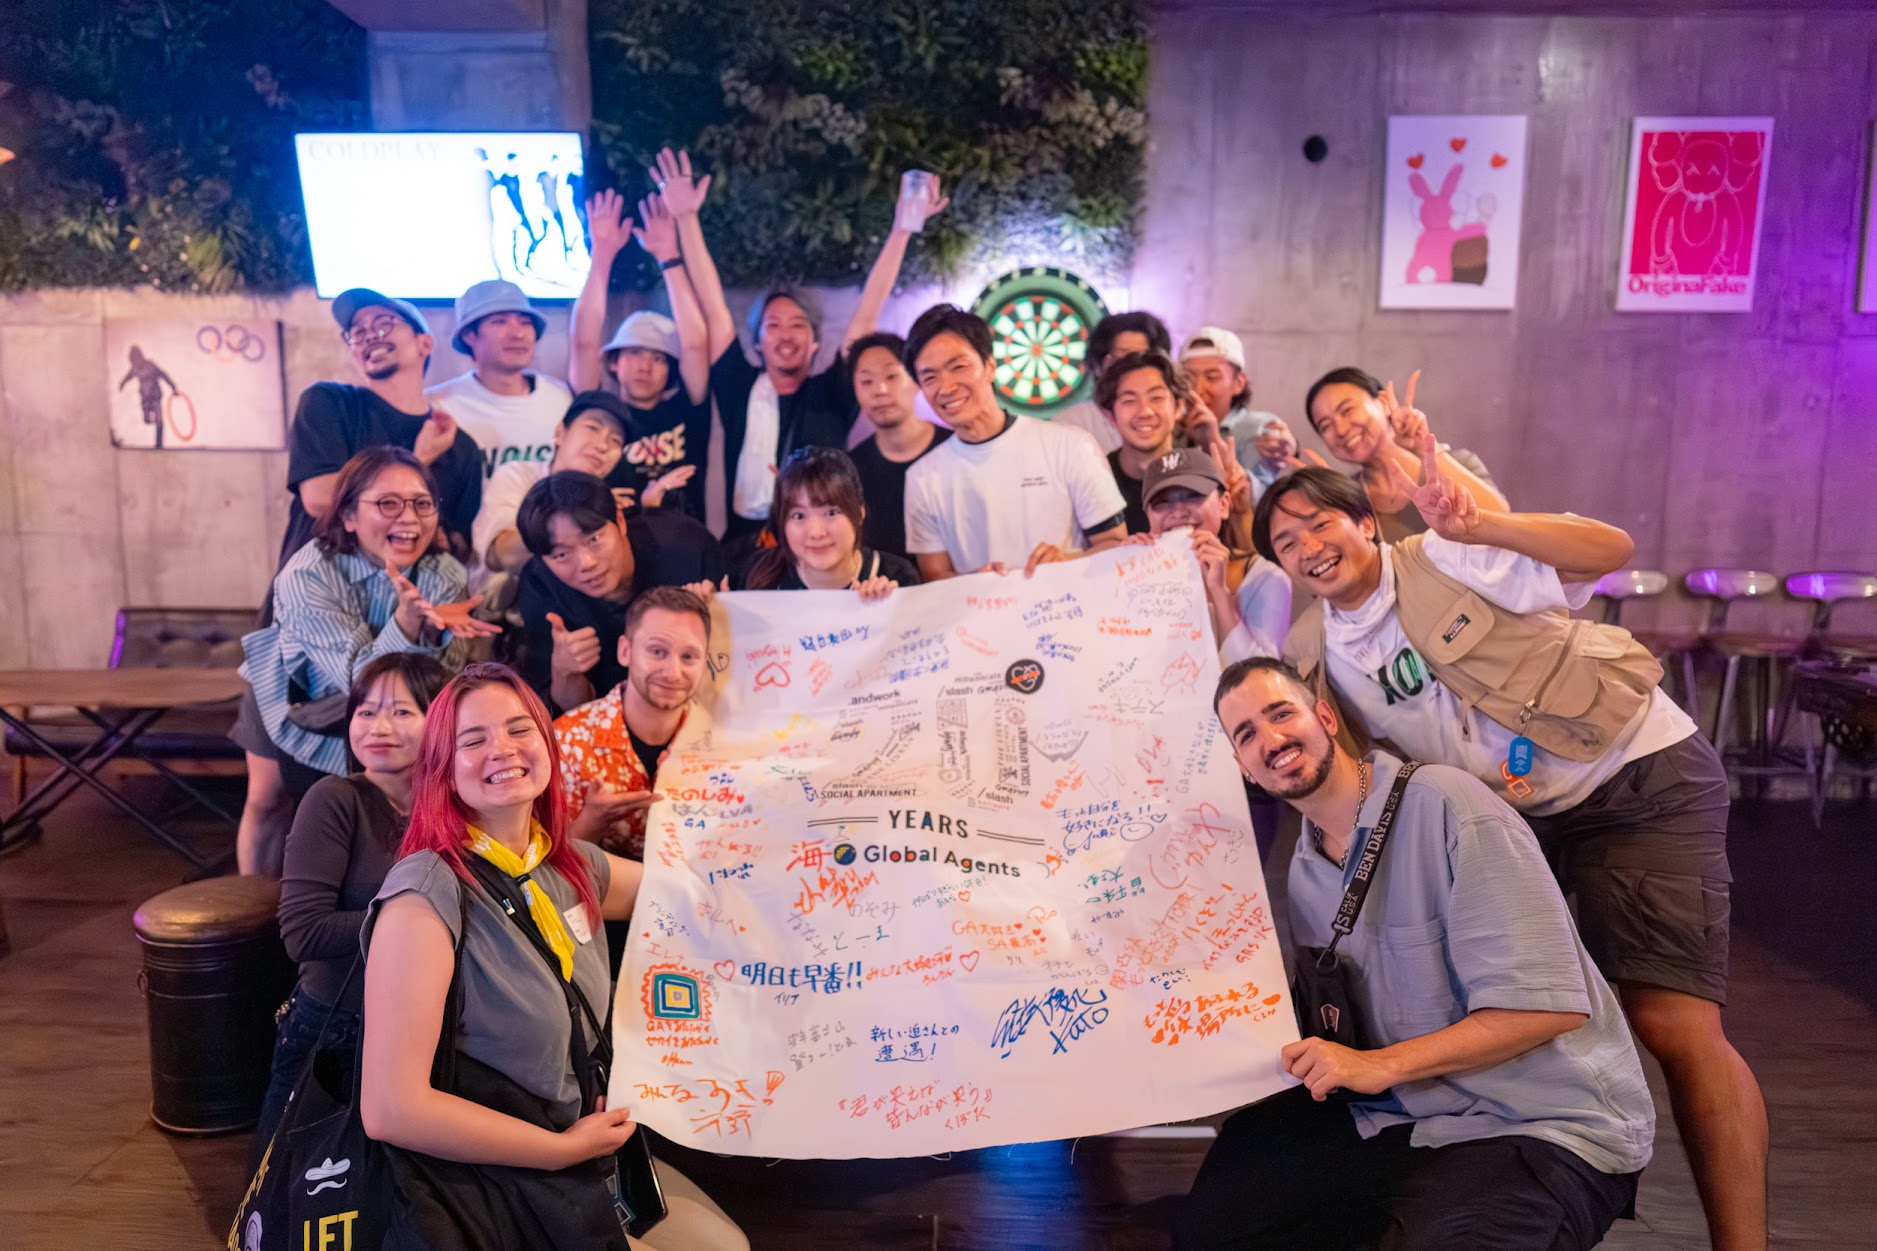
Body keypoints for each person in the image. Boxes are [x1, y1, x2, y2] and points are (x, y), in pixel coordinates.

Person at [1251, 459, 1767, 1250]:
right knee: (1505, 997)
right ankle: (1529, 1160)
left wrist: (1481, 524)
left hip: (1630, 773)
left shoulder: (1444, 554)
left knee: (1671, 1021)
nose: (1309, 546)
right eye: (1286, 541)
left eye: (1320, 522)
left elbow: (1609, 550)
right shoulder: (1312, 647)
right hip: (1511, 816)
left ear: (1364, 521)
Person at [1179, 658, 1653, 1250]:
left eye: (1281, 714)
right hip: (1407, 1112)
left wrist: (1380, 1066)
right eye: (1247, 734)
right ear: (1241, 764)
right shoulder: (1304, 870)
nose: (1271, 740)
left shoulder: (1446, 802)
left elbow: (1548, 1009)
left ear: (1324, 717)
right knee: (1222, 1208)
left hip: (1539, 1123)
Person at [360, 663, 746, 1250]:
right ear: (443, 769)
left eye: (520, 729)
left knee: (727, 1245)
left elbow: (697, 897)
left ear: (547, 743)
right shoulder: (424, 896)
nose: (503, 749)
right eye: (473, 740)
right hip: (491, 1175)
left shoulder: (570, 866)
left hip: (585, 1152)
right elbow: (391, 1109)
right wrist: (558, 1150)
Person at [656, 148, 947, 548]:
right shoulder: (738, 384)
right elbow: (713, 305)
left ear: (814, 342)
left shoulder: (833, 392)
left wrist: (901, 229)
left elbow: (868, 310)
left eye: (798, 325)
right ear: (758, 341)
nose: (785, 335)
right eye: (773, 326)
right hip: (743, 547)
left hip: (818, 544)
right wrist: (686, 218)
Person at [233, 448, 501, 876]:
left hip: (389, 708)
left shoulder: (445, 573)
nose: (409, 518)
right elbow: (357, 677)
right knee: (270, 801)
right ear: (348, 516)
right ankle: (254, 901)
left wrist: (433, 634)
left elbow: (438, 683)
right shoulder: (306, 575)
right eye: (388, 503)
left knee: (382, 809)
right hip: (296, 695)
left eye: (422, 503)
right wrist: (408, 625)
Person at [256, 652, 451, 1156]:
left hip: (426, 1024)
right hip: (337, 1026)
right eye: (366, 711)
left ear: (442, 722)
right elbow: (304, 933)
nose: (378, 727)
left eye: (402, 711)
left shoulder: (451, 807)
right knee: (292, 1185)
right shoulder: (335, 798)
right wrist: (418, 920)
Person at [902, 304, 1128, 580]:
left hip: (1068, 605)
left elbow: (1116, 545)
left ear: (990, 367)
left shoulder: (1070, 445)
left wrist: (1066, 561)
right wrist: (973, 581)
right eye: (930, 378)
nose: (946, 387)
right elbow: (934, 575)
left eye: (958, 367)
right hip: (980, 608)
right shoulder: (923, 478)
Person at [279, 289, 484, 567]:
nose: (369, 336)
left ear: (423, 344)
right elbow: (319, 499)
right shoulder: (330, 403)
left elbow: (455, 548)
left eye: (384, 324)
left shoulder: (459, 446)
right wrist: (418, 460)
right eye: (358, 332)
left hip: (405, 594)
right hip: (315, 588)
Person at [514, 471, 725, 715]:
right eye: (561, 555)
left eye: (594, 539)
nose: (586, 563)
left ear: (620, 521)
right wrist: (565, 672)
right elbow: (571, 716)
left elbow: (735, 655)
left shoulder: (686, 547)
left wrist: (714, 616)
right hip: (606, 724)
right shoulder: (540, 587)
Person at [568, 191, 712, 519]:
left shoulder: (687, 409)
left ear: (671, 370)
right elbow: (584, 343)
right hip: (618, 542)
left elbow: (695, 344)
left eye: (659, 358)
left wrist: (669, 256)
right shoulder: (601, 413)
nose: (646, 366)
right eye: (634, 352)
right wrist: (601, 255)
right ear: (614, 362)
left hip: (686, 541)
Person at [474, 391, 691, 589]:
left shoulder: (608, 501)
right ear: (560, 432)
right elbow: (498, 556)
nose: (602, 445)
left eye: (616, 440)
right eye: (592, 428)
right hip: (496, 610)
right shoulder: (518, 476)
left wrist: (651, 511)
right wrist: (569, 515)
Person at [1304, 366, 1504, 542]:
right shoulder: (1350, 499)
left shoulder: (1458, 462)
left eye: (1347, 410)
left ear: (1383, 402)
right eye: (1325, 426)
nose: (1340, 429)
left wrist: (1425, 449)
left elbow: (1502, 523)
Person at [1136, 447, 1291, 659]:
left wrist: (1219, 593)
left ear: (1223, 504)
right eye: (1162, 502)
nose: (1179, 511)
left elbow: (1263, 672)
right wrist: (1122, 580)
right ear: (1148, 516)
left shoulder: (1265, 577)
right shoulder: (1137, 578)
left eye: (1193, 496)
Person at [426, 279, 572, 483]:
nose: (518, 334)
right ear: (469, 335)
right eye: (500, 322)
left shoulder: (560, 397)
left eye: (525, 323)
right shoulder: (440, 404)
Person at [738, 447, 920, 593]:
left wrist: (888, 609)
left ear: (859, 513)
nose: (816, 532)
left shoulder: (897, 577)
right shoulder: (761, 578)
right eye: (799, 516)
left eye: (831, 513)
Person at [845, 331, 951, 562]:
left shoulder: (956, 449)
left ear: (916, 380)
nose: (880, 390)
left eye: (891, 376)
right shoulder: (850, 471)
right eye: (866, 381)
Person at [1048, 311, 1173, 455]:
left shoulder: (1171, 418)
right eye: (1125, 358)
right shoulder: (1071, 423)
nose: (1134, 367)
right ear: (1098, 366)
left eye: (1144, 358)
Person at [1177, 326, 1286, 482]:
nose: (1198, 390)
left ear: (1239, 382)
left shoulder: (1258, 429)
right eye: (1188, 377)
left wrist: (1211, 440)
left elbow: (1260, 493)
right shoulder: (1173, 430)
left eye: (1212, 377)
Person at [1097, 349, 1187, 534]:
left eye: (1156, 398)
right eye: (1129, 401)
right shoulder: (1096, 480)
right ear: (1110, 416)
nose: (1145, 411)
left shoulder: (1201, 474)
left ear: (1178, 407)